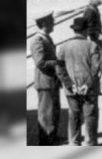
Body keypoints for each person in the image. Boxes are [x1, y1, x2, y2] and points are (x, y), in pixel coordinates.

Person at [58, 17, 102, 146]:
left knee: (74, 115)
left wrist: (70, 85)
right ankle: (90, 142)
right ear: (86, 30)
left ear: (74, 30)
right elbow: (96, 69)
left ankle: (74, 142)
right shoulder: (92, 46)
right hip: (89, 88)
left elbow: (59, 69)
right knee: (90, 115)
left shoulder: (64, 46)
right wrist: (87, 85)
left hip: (71, 89)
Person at [29, 12, 63, 145]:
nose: (54, 24)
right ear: (44, 24)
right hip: (45, 82)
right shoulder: (38, 39)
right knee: (46, 113)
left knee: (54, 111)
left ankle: (53, 137)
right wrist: (57, 62)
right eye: (51, 22)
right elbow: (40, 62)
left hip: (51, 81)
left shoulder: (46, 37)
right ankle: (46, 142)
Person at [80, 0, 102, 95]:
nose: (99, 0)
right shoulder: (90, 11)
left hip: (94, 40)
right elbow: (88, 28)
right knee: (100, 64)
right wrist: (97, 35)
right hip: (95, 42)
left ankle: (100, 88)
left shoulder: (93, 9)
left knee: (98, 65)